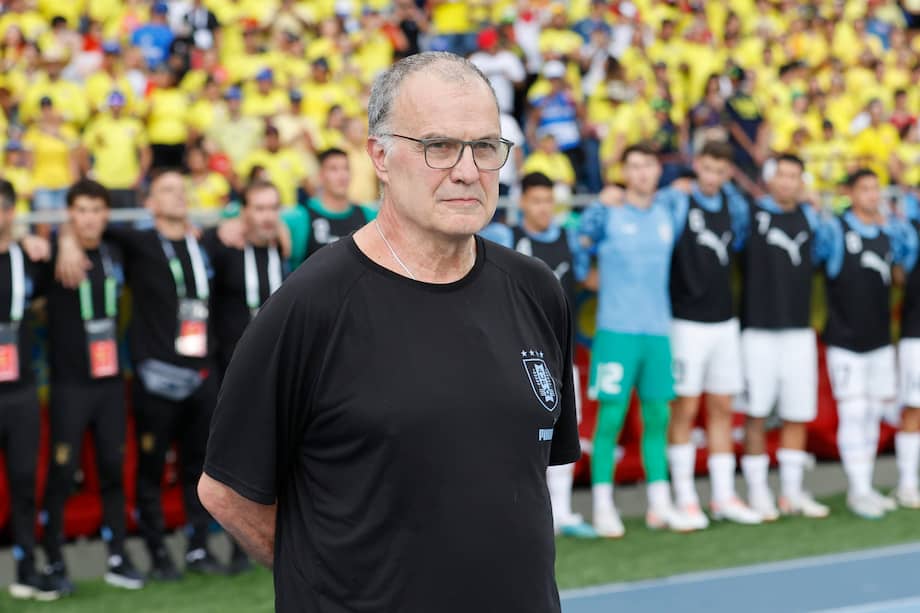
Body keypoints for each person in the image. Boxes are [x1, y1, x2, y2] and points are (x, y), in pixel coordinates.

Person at [199, 51, 579, 612]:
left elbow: (518, 479)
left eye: (484, 147)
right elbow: (226, 491)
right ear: (380, 155)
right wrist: (333, 583)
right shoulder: (312, 304)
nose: (468, 170)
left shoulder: (536, 289)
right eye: (439, 146)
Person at [56, 169, 224, 579]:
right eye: (167, 190)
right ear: (149, 204)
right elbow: (86, 227)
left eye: (182, 189)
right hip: (157, 378)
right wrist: (63, 240)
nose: (178, 196)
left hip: (203, 373)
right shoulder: (138, 241)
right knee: (152, 470)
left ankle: (199, 546)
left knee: (199, 467)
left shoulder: (204, 243)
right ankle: (158, 553)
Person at [577, 144, 695, 536]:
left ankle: (660, 505)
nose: (642, 172)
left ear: (657, 171)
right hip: (616, 333)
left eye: (648, 166)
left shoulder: (669, 211)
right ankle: (603, 505)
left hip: (658, 333)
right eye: (634, 166)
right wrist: (598, 202)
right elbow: (577, 244)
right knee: (610, 419)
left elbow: (707, 189)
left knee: (659, 417)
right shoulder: (607, 213)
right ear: (623, 172)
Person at [39, 180, 144, 595]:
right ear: (69, 213)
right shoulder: (51, 255)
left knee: (113, 469)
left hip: (109, 385)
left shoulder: (115, 251)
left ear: (106, 214)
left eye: (96, 210)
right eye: (80, 211)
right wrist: (62, 239)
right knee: (63, 474)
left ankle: (117, 555)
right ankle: (52, 557)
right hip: (68, 386)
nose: (89, 219)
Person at [482, 171, 594, 538]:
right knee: (518, 435)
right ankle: (518, 511)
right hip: (517, 353)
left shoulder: (568, 239)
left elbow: (588, 275)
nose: (543, 208)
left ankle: (561, 512)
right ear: (522, 203)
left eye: (549, 200)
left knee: (563, 433)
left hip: (561, 354)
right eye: (536, 200)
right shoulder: (505, 239)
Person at [663, 141, 762, 527]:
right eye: (708, 168)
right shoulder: (677, 202)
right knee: (685, 411)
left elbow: (742, 239)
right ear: (697, 166)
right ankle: (686, 497)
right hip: (686, 322)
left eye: (721, 171)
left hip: (725, 322)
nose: (713, 177)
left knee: (722, 408)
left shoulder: (733, 205)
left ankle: (723, 496)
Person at [737, 155, 833, 520]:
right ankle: (759, 493)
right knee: (757, 414)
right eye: (782, 175)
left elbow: (826, 253)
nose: (788, 182)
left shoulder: (810, 218)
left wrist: (822, 211)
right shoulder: (750, 214)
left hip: (798, 331)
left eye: (795, 176)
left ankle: (791, 493)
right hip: (758, 331)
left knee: (797, 413)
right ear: (770, 179)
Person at [823, 169, 916, 518]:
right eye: (864, 189)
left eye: (876, 189)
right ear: (850, 192)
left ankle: (868, 484)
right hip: (845, 340)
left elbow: (907, 259)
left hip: (879, 339)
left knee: (875, 414)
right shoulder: (837, 230)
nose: (871, 195)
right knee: (854, 412)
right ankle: (857, 490)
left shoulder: (887, 234)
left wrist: (898, 221)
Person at [0, 179, 58, 601]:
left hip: (19, 391)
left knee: (24, 482)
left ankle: (26, 567)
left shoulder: (28, 256)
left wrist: (60, 244)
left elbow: (76, 242)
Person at [282, 148, 377, 268]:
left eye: (346, 168)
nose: (342, 175)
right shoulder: (301, 216)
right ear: (321, 176)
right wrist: (279, 228)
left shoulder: (368, 215)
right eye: (334, 169)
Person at [896, 197, 920, 509]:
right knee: (914, 410)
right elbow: (898, 274)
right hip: (916, 335)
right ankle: (906, 483)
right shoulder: (909, 229)